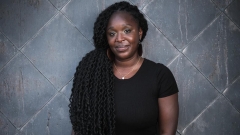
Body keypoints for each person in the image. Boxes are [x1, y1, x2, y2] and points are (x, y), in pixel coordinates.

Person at [69, 1, 179, 135]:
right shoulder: (92, 75)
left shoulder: (160, 75)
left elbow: (167, 132)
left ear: (139, 32)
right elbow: (81, 126)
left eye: (127, 30)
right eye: (112, 33)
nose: (119, 39)